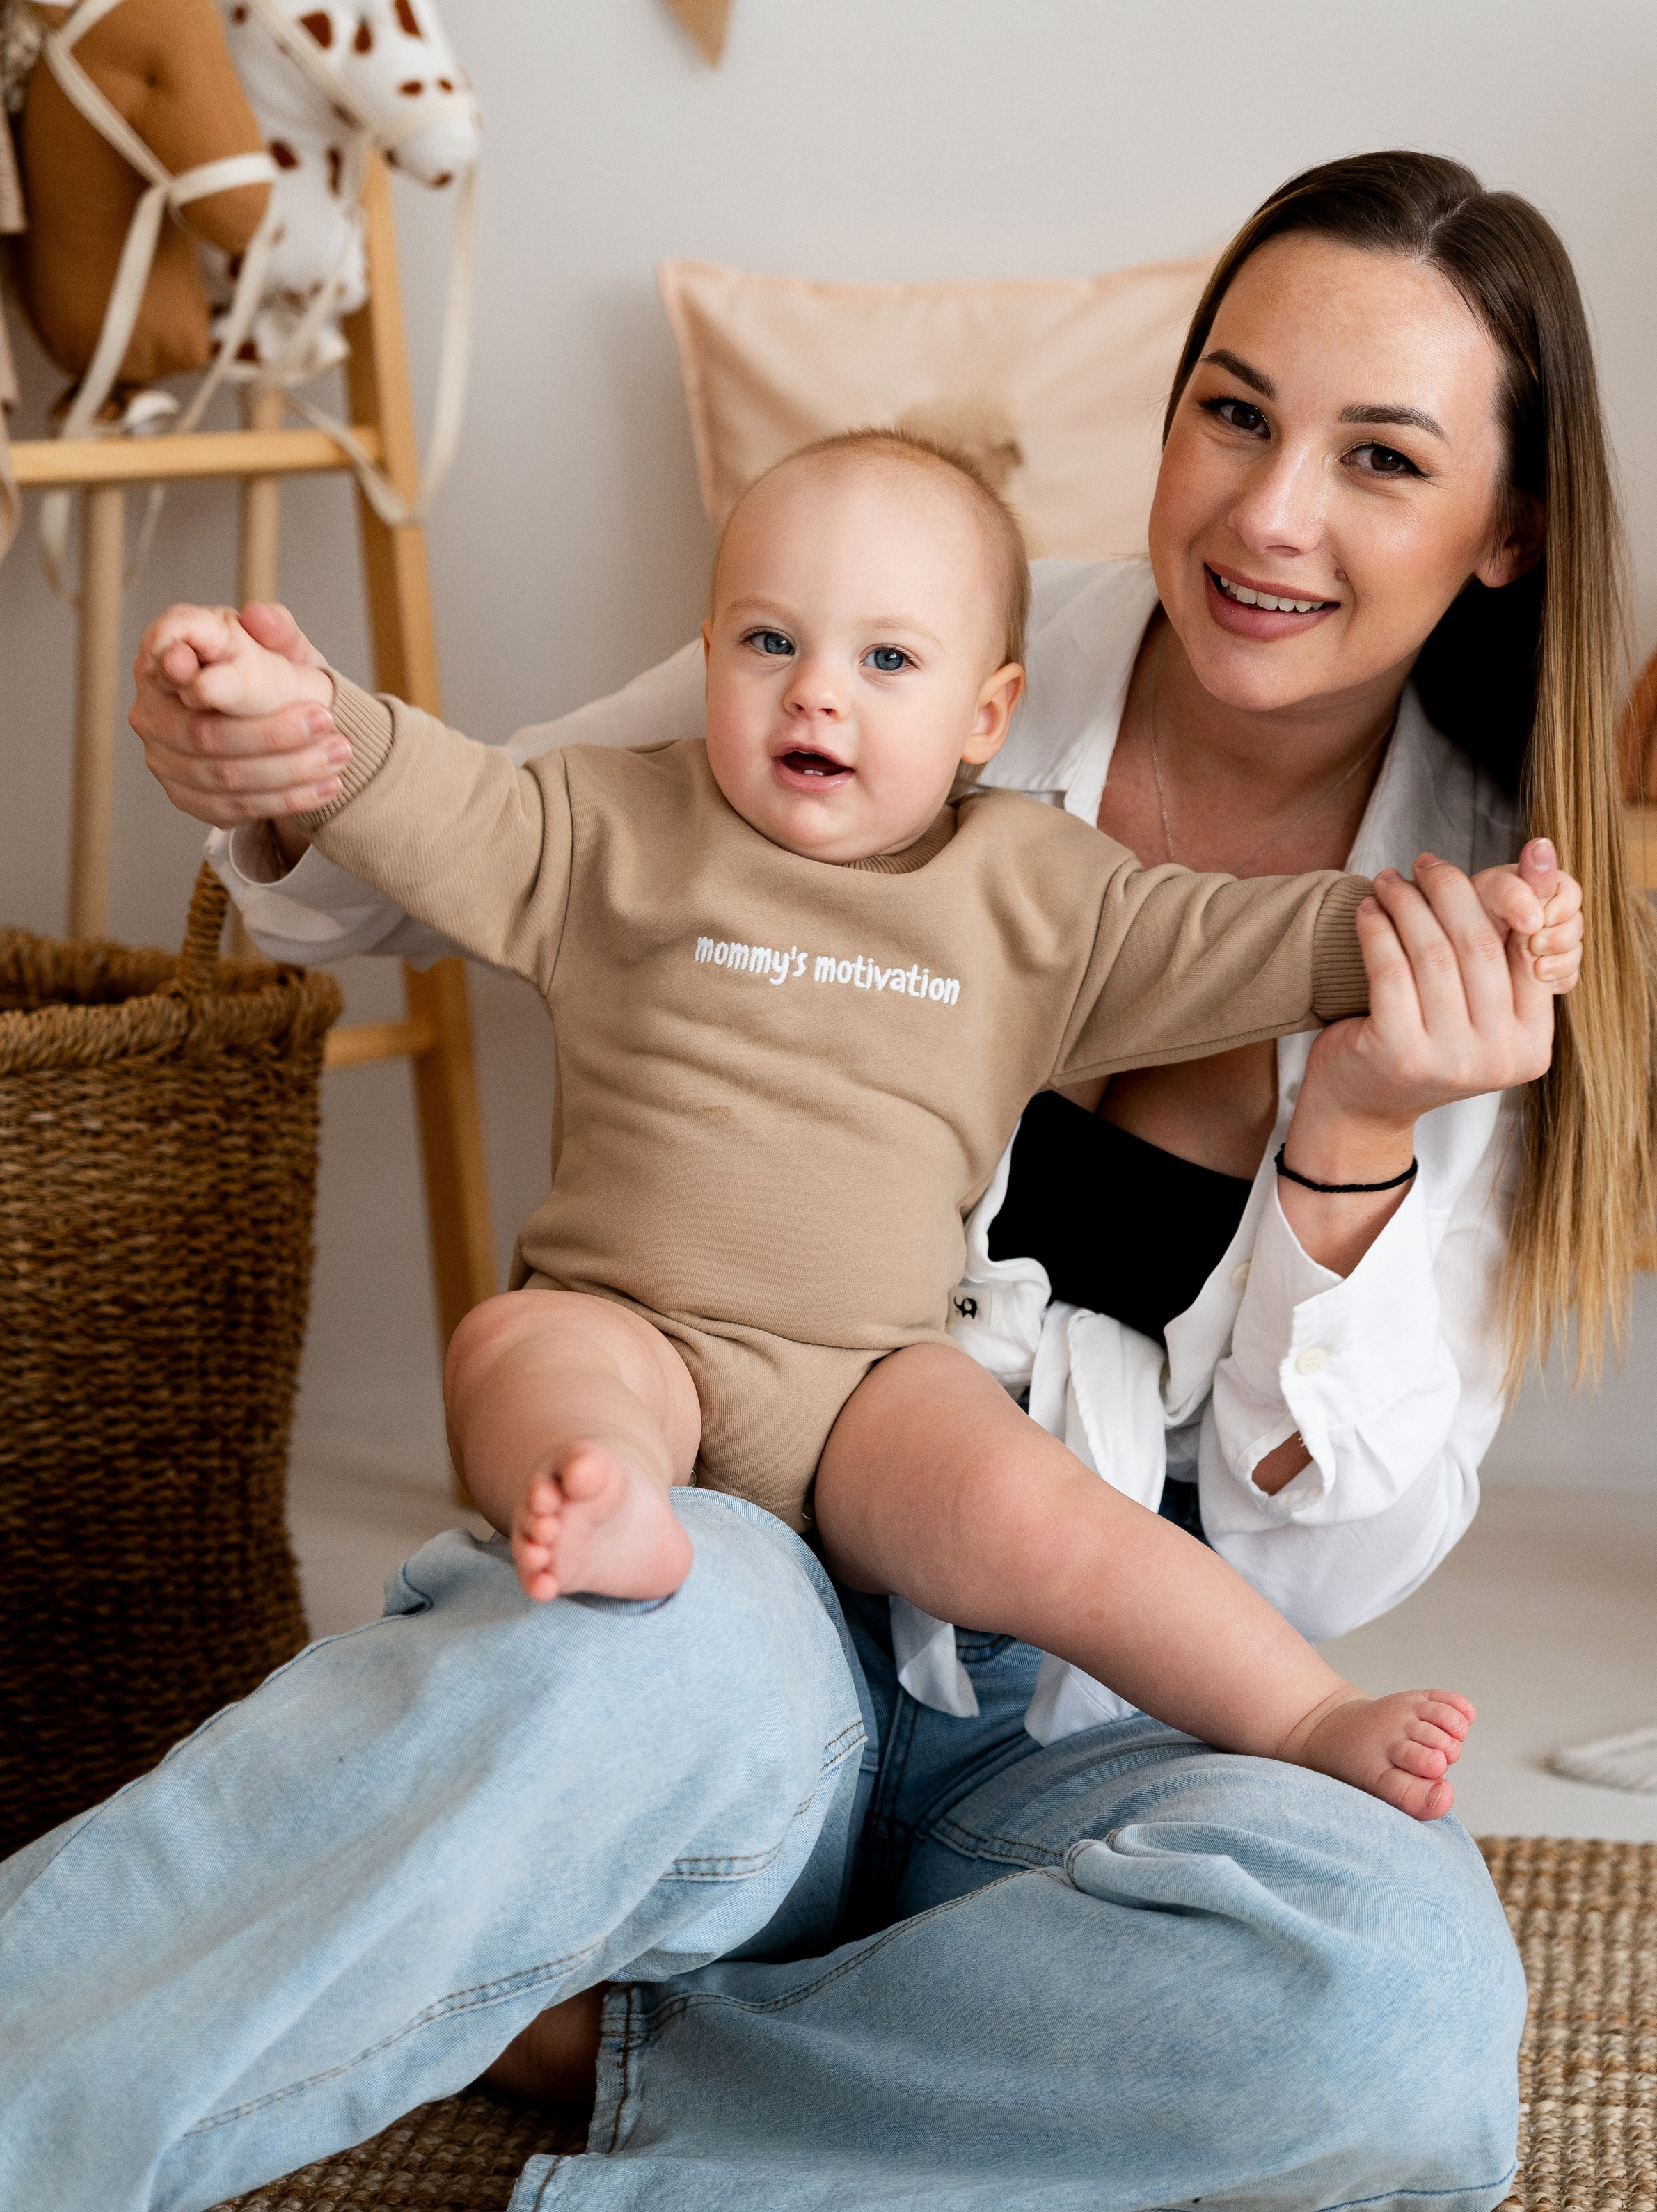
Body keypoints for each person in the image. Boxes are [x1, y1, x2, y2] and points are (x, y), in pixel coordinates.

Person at [3, 154, 1657, 2212]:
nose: (1271, 515)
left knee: (1402, 2015)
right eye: (1235, 413)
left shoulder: (1473, 926)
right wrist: (273, 753)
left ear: (1505, 532)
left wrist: (1351, 1133)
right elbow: (503, 835)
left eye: (1381, 459)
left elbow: (1315, 1563)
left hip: (1081, 1736)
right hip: (730, 1595)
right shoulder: (913, 630)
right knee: (617, 1655)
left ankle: (610, 2046)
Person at [141, 429, 1579, 1822]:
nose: (813, 697)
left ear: (984, 718)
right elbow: (434, 795)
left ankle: (1298, 1715)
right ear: (704, 657)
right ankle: (617, 1512)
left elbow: (1238, 940)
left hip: (876, 1385)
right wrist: (298, 724)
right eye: (769, 644)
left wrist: (1455, 925)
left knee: (1054, 1525)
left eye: (884, 662)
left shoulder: (1035, 895)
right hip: (631, 1325)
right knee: (514, 1354)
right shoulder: (607, 827)